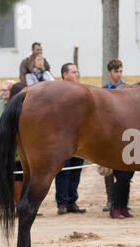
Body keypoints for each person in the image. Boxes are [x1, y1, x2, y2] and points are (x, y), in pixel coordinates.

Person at [103, 59, 134, 219]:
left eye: (120, 71)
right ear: (110, 72)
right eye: (116, 71)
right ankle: (114, 206)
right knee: (118, 177)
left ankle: (123, 206)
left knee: (127, 177)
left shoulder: (128, 89)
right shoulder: (104, 91)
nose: (118, 74)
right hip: (113, 141)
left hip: (129, 140)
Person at [55, 63, 86, 215]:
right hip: (63, 139)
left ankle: (72, 201)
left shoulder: (81, 92)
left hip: (79, 139)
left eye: (77, 72)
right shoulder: (59, 93)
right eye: (74, 72)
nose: (77, 74)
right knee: (63, 171)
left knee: (76, 171)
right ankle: (61, 203)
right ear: (65, 75)